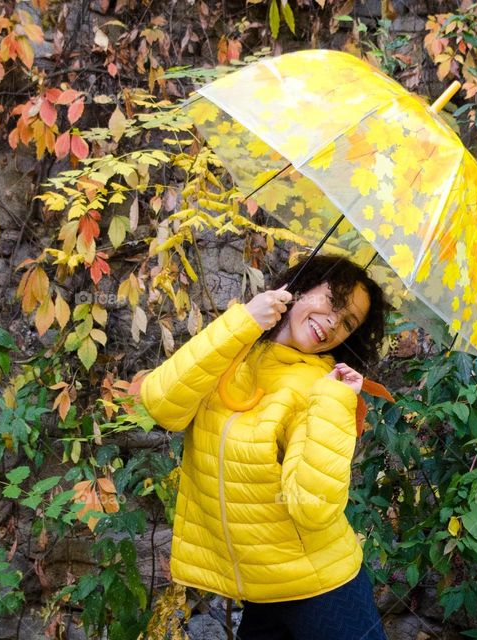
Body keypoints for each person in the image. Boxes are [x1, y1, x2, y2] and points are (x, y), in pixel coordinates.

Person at [140, 254, 389, 640]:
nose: (333, 323)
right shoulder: (233, 351)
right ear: (301, 287)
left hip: (320, 588)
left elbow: (312, 507)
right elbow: (162, 405)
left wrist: (334, 401)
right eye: (333, 302)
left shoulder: (320, 386)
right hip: (261, 588)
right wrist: (243, 322)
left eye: (347, 323)